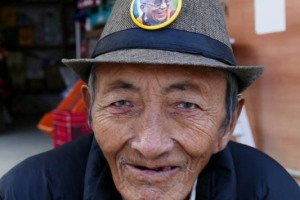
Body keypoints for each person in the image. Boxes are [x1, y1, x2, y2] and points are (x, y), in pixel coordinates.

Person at [0, 0, 299, 199]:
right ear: (91, 109)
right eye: (122, 103)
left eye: (186, 105)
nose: (150, 145)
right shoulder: (31, 190)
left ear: (228, 123)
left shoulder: (270, 191)